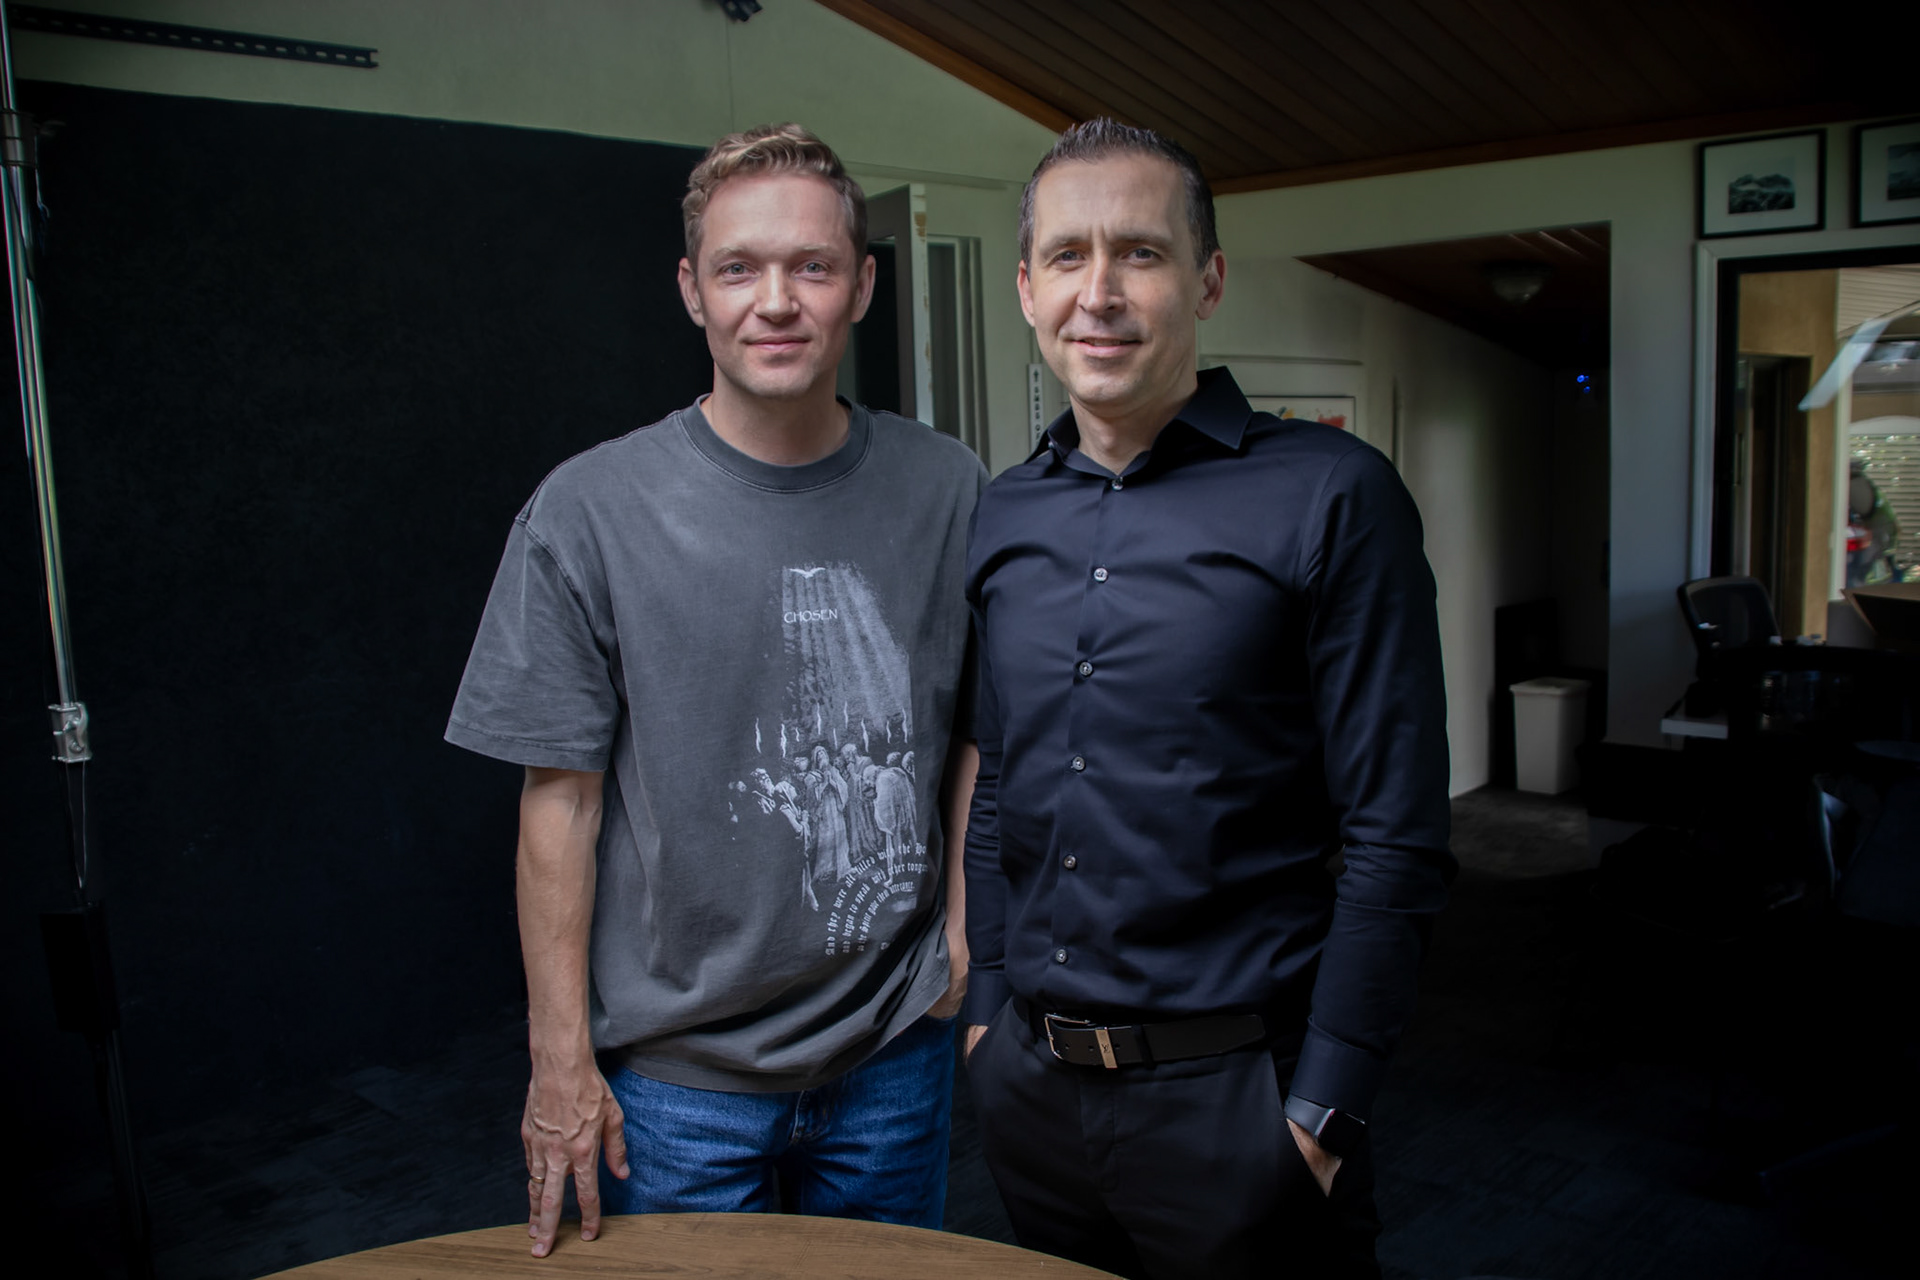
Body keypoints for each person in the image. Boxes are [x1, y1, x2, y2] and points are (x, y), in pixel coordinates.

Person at [447, 123, 985, 1258]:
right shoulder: (587, 511)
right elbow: (560, 803)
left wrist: (959, 939)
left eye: (813, 266)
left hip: (893, 1046)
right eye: (740, 268)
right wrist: (560, 1059)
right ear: (693, 290)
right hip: (678, 1077)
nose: (775, 301)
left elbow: (976, 732)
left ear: (862, 286)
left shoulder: (949, 489)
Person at [960, 119, 1453, 1278]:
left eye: (1140, 252)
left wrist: (1322, 1110)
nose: (1099, 291)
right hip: (1033, 1092)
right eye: (1068, 255)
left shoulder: (1334, 495)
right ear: (1027, 288)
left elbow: (1396, 835)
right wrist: (986, 1013)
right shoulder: (1003, 512)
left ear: (1208, 280)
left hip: (1240, 1103)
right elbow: (1000, 785)